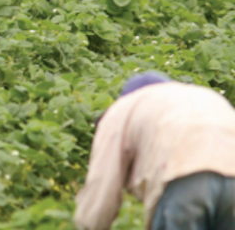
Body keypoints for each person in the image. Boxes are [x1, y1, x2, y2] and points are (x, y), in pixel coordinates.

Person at [74, 73, 235, 230]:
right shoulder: (202, 97)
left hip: (186, 178)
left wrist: (88, 224)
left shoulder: (122, 110)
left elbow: (103, 181)